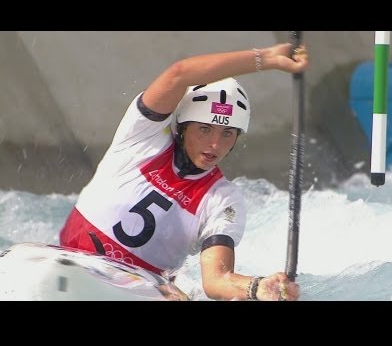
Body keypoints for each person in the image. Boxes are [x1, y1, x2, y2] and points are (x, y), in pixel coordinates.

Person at [59, 41, 309, 301]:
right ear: (183, 126)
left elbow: (216, 280)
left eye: (227, 133)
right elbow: (179, 73)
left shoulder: (223, 199)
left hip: (137, 292)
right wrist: (265, 58)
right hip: (71, 262)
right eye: (205, 129)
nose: (215, 144)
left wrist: (257, 288)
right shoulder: (144, 137)